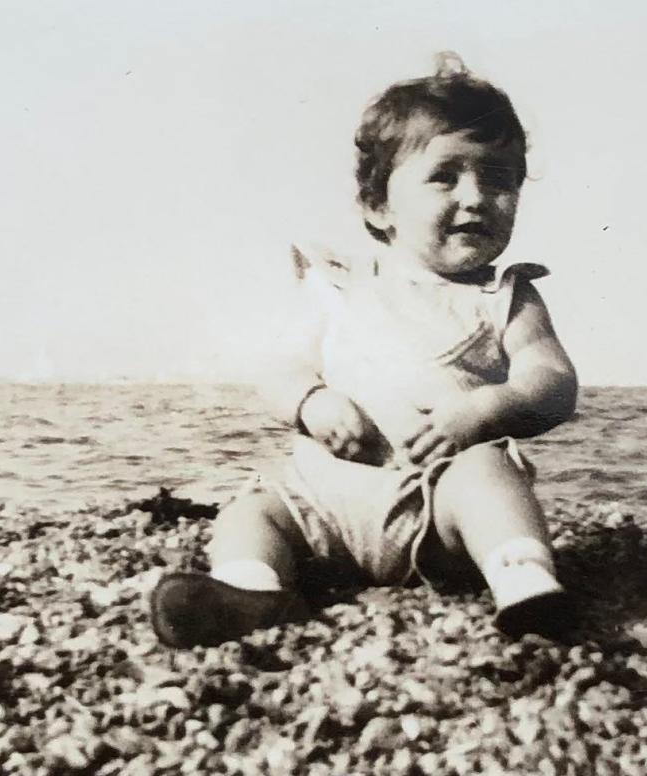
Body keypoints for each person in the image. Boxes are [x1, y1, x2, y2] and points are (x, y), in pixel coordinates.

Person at [150, 54, 578, 648]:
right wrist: (311, 400)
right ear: (379, 206)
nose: (477, 197)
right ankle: (250, 589)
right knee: (256, 508)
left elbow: (552, 380)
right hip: (324, 506)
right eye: (445, 176)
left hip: (436, 510)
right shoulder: (339, 287)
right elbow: (280, 367)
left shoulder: (505, 297)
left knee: (487, 474)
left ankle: (523, 580)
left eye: (499, 179)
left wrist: (488, 408)